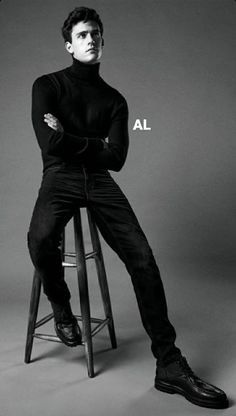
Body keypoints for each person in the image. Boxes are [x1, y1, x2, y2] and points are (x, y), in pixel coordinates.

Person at [27, 6, 228, 409]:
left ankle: (169, 366)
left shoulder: (115, 100)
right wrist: (91, 146)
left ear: (104, 40)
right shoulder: (46, 85)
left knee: (143, 258)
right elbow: (50, 146)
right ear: (69, 44)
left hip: (100, 181)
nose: (91, 39)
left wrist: (70, 137)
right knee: (40, 236)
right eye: (83, 34)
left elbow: (116, 159)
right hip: (61, 176)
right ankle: (62, 305)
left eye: (96, 33)